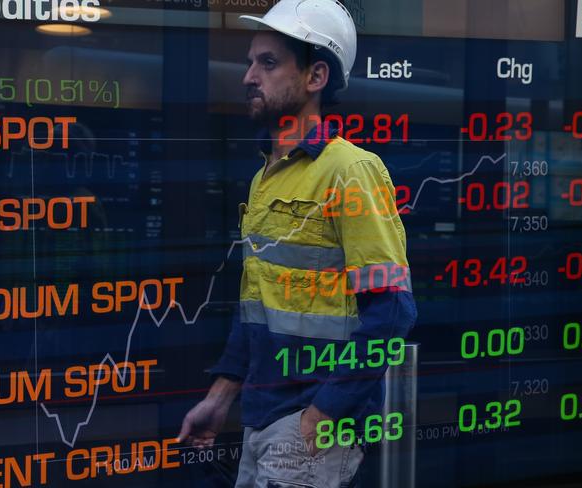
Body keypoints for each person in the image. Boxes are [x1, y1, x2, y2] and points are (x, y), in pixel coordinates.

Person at [178, 1, 417, 486]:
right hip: (261, 418)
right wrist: (220, 399)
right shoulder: (265, 177)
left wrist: (322, 414)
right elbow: (256, 311)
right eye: (250, 62)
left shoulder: (350, 172)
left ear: (316, 77)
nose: (249, 77)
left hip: (307, 425)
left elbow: (392, 311)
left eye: (268, 63)